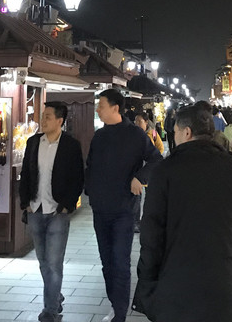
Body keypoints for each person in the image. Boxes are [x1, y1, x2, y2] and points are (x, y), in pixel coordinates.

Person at [134, 102, 232, 322]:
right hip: (227, 284)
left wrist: (147, 278)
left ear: (187, 132)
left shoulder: (165, 172)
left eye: (175, 132)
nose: (174, 137)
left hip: (175, 285)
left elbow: (152, 233)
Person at [85, 88, 161, 322]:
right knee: (107, 263)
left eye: (101, 106)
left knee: (120, 262)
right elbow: (91, 166)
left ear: (115, 108)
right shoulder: (99, 136)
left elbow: (156, 160)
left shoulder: (135, 134)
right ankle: (114, 303)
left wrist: (140, 177)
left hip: (124, 210)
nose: (97, 110)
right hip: (100, 208)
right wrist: (90, 191)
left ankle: (119, 313)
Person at [19, 102, 85, 322]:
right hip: (35, 209)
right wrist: (25, 203)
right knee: (43, 262)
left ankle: (50, 310)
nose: (43, 120)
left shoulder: (70, 145)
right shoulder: (33, 142)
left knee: (54, 263)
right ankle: (55, 295)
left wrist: (67, 204)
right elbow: (26, 174)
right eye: (42, 116)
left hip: (57, 211)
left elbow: (77, 177)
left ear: (60, 121)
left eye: (47, 117)